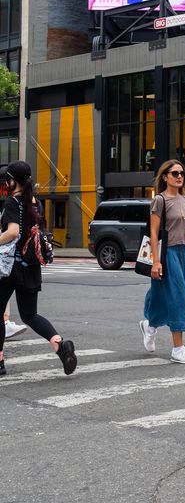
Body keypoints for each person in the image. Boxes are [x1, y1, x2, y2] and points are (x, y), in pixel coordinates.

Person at [0, 161, 77, 377]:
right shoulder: (35, 203)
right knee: (30, 314)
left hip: (11, 267)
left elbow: (13, 232)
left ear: (13, 180)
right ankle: (59, 345)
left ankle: (0, 363)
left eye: (8, 178)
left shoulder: (12, 202)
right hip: (31, 266)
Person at [139, 159, 185, 365]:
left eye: (182, 173)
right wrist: (156, 261)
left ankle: (150, 325)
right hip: (167, 252)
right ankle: (178, 349)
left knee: (164, 294)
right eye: (175, 173)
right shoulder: (160, 200)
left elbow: (183, 222)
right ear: (165, 177)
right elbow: (154, 233)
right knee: (178, 297)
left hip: (184, 251)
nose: (180, 176)